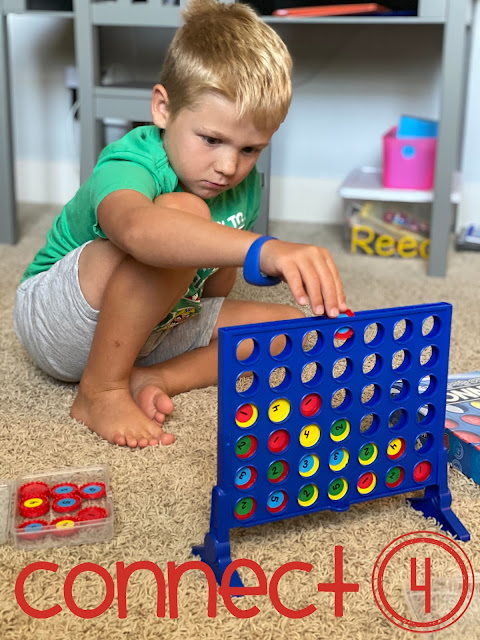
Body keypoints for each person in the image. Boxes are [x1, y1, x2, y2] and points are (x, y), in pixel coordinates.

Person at [14, 0, 347, 448]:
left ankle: (151, 377)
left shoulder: (240, 187)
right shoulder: (132, 159)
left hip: (153, 328)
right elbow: (137, 231)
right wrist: (260, 248)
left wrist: (234, 257)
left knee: (290, 329)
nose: (229, 165)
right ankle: (101, 391)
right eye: (211, 140)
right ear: (163, 109)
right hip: (59, 321)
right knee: (182, 217)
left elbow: (209, 290)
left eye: (251, 150)